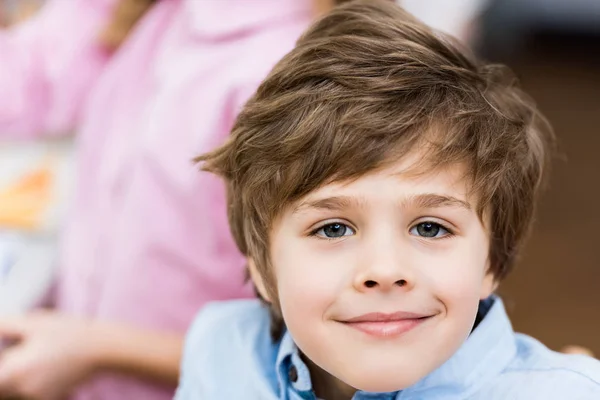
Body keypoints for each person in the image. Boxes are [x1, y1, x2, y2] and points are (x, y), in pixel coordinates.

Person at [175, 1, 600, 399]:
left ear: (491, 260)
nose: (384, 271)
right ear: (261, 267)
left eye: (430, 227)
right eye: (333, 228)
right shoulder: (218, 353)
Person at [0, 0, 312, 399]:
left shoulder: (283, 68)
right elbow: (30, 85)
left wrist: (96, 348)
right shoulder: (167, 17)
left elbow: (301, 352)